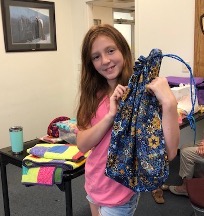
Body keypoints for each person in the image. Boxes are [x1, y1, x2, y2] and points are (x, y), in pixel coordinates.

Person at [76, 24, 180, 216]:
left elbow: (171, 152)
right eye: (96, 56)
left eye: (110, 50)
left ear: (123, 50)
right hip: (94, 184)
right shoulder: (93, 96)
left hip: (119, 194)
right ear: (90, 63)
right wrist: (110, 116)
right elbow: (82, 144)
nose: (105, 60)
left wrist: (169, 102)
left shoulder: (144, 96)